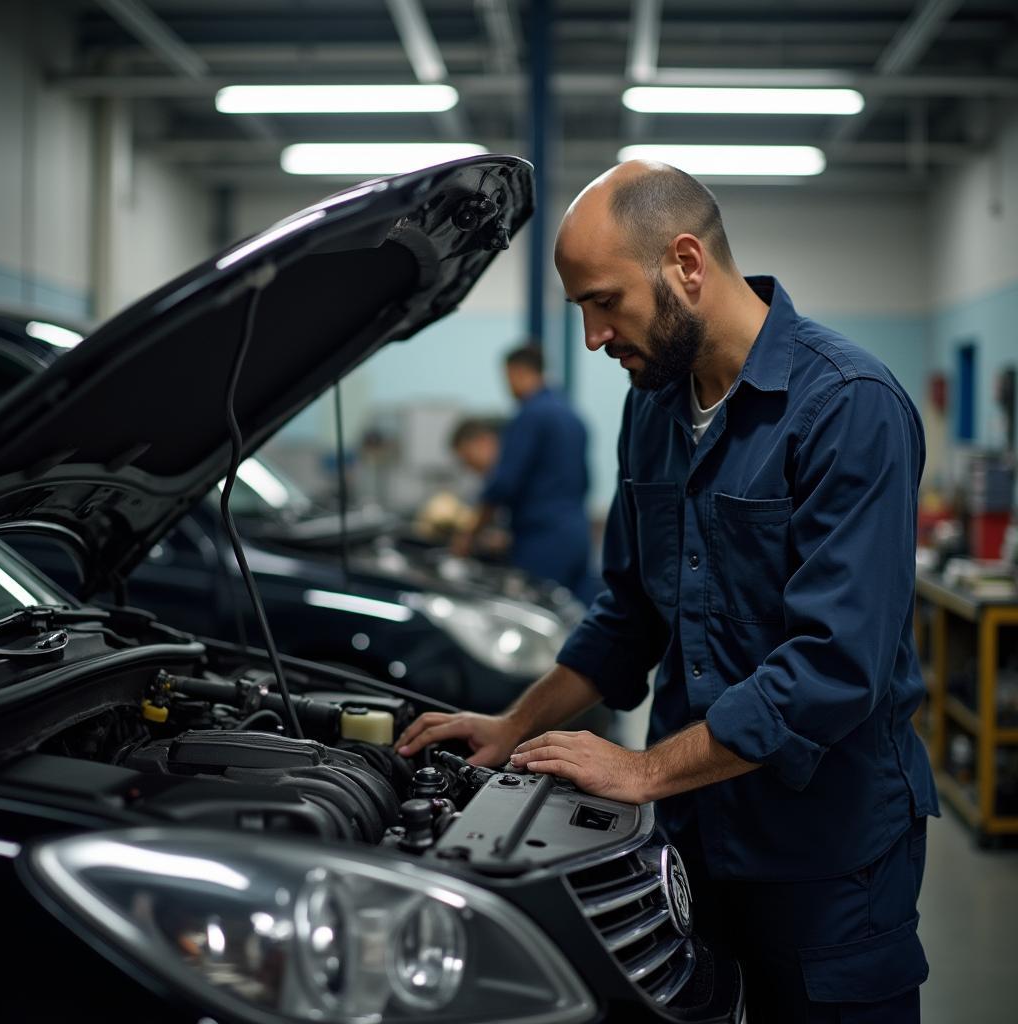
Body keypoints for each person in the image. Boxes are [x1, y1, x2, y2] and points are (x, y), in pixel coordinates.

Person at [398, 161, 938, 1023]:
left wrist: (645, 769)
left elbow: (835, 666)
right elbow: (628, 614)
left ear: (687, 263)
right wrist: (515, 724)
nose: (593, 337)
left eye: (604, 302)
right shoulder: (652, 407)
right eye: (582, 309)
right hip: (689, 840)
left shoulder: (849, 407)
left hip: (827, 859)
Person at [452, 345, 594, 599]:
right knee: (574, 616)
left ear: (516, 372)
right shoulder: (572, 416)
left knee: (536, 619)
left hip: (542, 541)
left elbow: (503, 483)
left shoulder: (530, 416)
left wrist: (469, 534)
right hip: (577, 534)